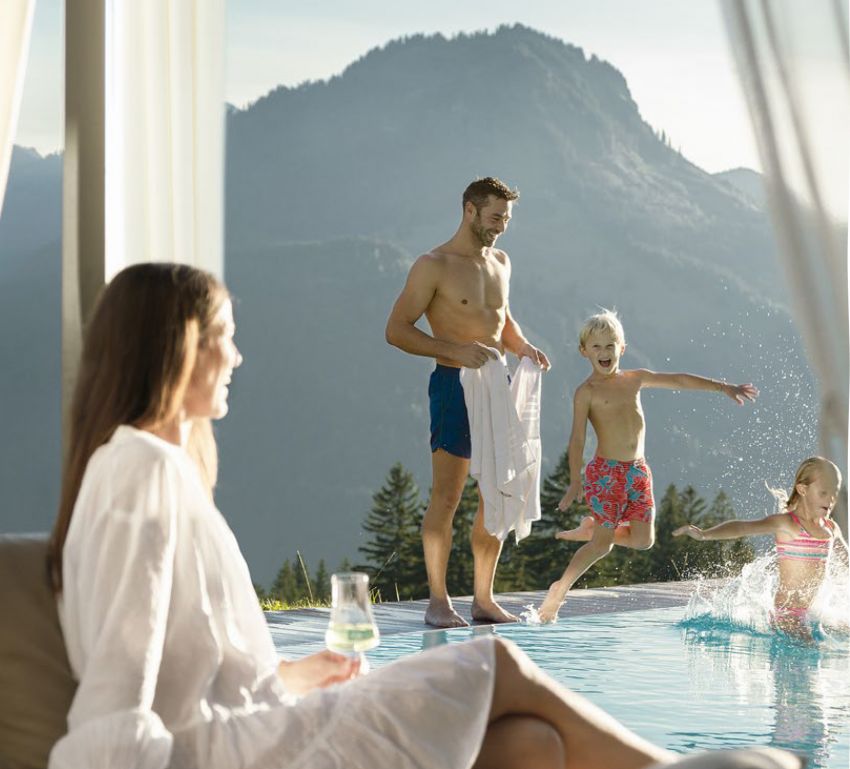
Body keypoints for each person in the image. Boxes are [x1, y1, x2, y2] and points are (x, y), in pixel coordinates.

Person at [46, 261, 679, 769]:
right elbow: (114, 708)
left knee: (532, 745)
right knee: (499, 666)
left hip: (252, 725)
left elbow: (195, 665)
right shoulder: (141, 471)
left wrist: (294, 674)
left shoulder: (151, 469)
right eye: (225, 339)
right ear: (177, 348)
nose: (236, 358)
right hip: (233, 750)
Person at [385, 177, 550, 629]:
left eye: (507, 219)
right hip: (453, 385)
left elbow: (501, 319)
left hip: (499, 385)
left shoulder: (501, 262)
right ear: (470, 210)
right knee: (447, 496)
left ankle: (483, 599)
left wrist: (523, 347)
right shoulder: (432, 265)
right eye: (495, 217)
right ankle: (438, 602)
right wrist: (455, 351)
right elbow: (396, 330)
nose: (501, 227)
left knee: (496, 491)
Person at [537, 309, 758, 622]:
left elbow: (679, 380)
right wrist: (575, 481)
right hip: (606, 475)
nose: (604, 352)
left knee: (644, 541)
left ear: (622, 348)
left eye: (610, 345)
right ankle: (560, 589)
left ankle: (592, 529)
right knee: (601, 546)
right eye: (597, 347)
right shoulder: (586, 392)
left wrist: (723, 387)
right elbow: (577, 438)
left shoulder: (635, 379)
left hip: (637, 471)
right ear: (584, 351)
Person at [673, 456, 847, 637]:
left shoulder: (831, 528)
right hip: (787, 614)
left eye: (834, 494)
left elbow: (847, 561)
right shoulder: (787, 524)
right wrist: (704, 534)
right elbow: (742, 527)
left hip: (811, 612)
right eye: (823, 493)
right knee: (809, 649)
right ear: (802, 489)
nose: (830, 499)